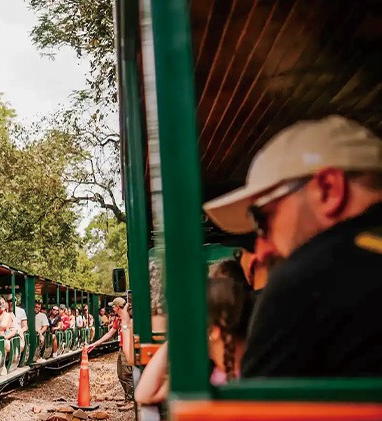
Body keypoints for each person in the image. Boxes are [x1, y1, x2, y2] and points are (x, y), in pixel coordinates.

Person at [202, 115, 382, 378]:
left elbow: (252, 416)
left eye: (262, 220)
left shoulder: (305, 280)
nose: (261, 251)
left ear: (328, 189)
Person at [136, 262, 253, 404]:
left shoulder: (246, 377)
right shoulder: (208, 368)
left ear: (214, 331)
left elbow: (144, 395)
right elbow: (144, 394)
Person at [86, 297, 133, 403]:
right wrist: (96, 344)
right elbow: (110, 333)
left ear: (117, 307)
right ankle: (128, 398)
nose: (112, 308)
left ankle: (131, 400)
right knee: (121, 374)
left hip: (128, 348)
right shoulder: (118, 319)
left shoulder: (130, 319)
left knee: (127, 374)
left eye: (113, 306)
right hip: (122, 348)